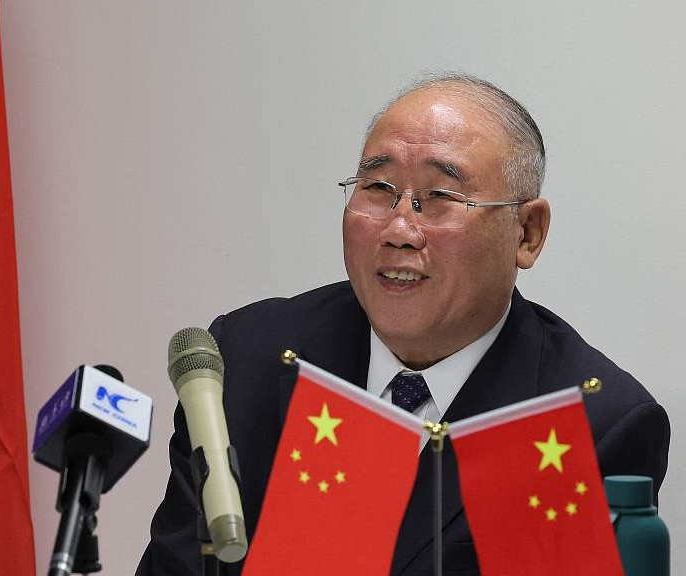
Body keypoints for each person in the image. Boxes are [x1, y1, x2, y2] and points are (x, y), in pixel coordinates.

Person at [136, 74, 671, 576]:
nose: (398, 228)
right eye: (377, 188)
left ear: (527, 233)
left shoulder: (590, 424)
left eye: (438, 197)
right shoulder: (247, 357)